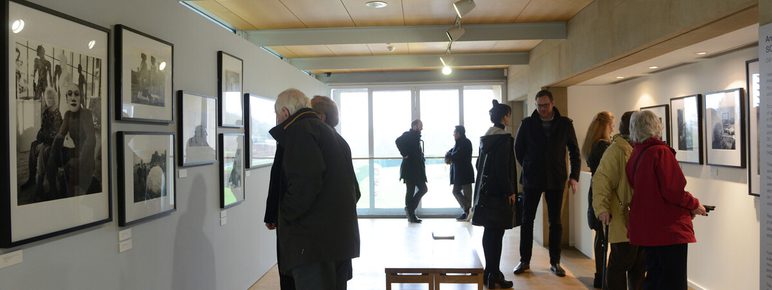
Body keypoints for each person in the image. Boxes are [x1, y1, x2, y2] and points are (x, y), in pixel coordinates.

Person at [268, 88, 360, 290]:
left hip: (312, 244)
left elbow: (305, 183)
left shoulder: (299, 132)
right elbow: (354, 189)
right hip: (338, 240)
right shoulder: (332, 134)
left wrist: (285, 215)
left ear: (284, 112)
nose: (276, 120)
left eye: (276, 114)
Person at [625, 110, 707, 290]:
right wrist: (694, 204)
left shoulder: (636, 154)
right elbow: (674, 191)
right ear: (655, 126)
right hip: (668, 230)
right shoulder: (660, 152)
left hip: (647, 228)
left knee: (655, 277)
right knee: (673, 281)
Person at [514, 89, 581, 277]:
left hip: (556, 178)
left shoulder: (565, 124)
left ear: (552, 103)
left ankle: (555, 262)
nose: (542, 109)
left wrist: (574, 176)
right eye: (539, 106)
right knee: (527, 220)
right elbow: (518, 149)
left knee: (555, 222)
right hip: (532, 179)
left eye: (545, 105)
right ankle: (524, 260)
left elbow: (574, 151)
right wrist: (529, 164)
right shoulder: (527, 124)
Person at [592, 111, 646, 290]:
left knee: (639, 265)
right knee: (620, 263)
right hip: (622, 217)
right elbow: (601, 180)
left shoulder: (639, 148)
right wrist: (601, 208)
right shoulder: (616, 151)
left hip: (640, 218)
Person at [471, 100, 516, 289]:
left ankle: (489, 273)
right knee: (497, 234)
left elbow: (479, 165)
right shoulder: (504, 139)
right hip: (499, 194)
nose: (509, 118)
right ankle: (494, 275)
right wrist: (510, 190)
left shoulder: (486, 138)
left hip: (486, 193)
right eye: (509, 115)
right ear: (504, 117)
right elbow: (502, 169)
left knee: (489, 232)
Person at [581, 111, 614, 288]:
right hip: (603, 192)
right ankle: (603, 276)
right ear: (605, 125)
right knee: (604, 236)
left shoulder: (592, 144)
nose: (613, 128)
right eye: (611, 124)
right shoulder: (603, 146)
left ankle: (600, 275)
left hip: (595, 190)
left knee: (600, 236)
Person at [52, 83, 97, 197]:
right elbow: (59, 136)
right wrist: (54, 157)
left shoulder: (86, 113)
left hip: (85, 161)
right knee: (50, 157)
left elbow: (91, 140)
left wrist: (79, 161)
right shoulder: (67, 115)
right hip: (73, 154)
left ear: (81, 98)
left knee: (67, 175)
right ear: (66, 98)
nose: (73, 97)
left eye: (76, 94)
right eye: (70, 94)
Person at [21, 87, 63, 198]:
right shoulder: (46, 112)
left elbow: (54, 136)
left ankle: (39, 185)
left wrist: (42, 142)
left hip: (54, 144)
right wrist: (40, 139)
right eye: (47, 98)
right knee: (33, 145)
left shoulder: (57, 114)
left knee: (43, 150)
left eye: (51, 98)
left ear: (55, 99)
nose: (49, 100)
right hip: (46, 140)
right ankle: (31, 179)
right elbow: (42, 130)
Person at [395, 119, 428, 223]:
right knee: (417, 189)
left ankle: (410, 211)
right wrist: (404, 154)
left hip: (415, 169)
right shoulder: (409, 135)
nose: (422, 127)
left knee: (416, 190)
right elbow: (398, 141)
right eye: (420, 125)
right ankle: (410, 211)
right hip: (410, 168)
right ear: (414, 126)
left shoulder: (415, 137)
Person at [445, 125, 474, 221]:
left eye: (455, 132)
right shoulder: (457, 144)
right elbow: (451, 154)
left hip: (465, 173)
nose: (453, 134)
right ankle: (468, 210)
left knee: (467, 194)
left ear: (459, 133)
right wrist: (449, 154)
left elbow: (456, 155)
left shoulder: (466, 142)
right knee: (456, 191)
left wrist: (449, 155)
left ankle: (467, 211)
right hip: (459, 174)